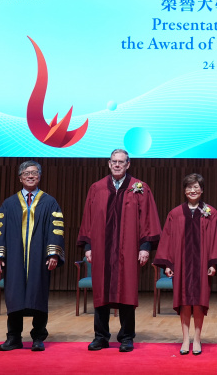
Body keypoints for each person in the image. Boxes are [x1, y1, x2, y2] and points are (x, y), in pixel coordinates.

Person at [77, 149, 161, 352]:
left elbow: (147, 219)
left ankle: (126, 337)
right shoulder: (97, 188)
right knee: (101, 292)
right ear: (108, 163)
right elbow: (88, 218)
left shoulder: (139, 188)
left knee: (126, 290)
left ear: (128, 164)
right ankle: (101, 336)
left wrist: (145, 247)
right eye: (114, 161)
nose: (117, 165)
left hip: (128, 250)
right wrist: (88, 247)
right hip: (101, 250)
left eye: (121, 162)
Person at [0, 160, 64, 352]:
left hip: (40, 258)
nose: (30, 176)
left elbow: (56, 229)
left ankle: (38, 337)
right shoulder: (9, 203)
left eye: (34, 173)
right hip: (14, 258)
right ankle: (13, 337)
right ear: (19, 177)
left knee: (39, 294)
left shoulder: (49, 202)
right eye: (26, 173)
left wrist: (53, 253)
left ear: (39, 176)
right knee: (14, 295)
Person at [153, 173, 217, 356]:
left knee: (199, 303)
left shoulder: (211, 212)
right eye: (189, 187)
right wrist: (168, 264)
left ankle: (197, 339)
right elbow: (168, 240)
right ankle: (186, 339)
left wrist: (213, 263)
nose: (193, 190)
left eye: (196, 187)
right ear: (184, 190)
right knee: (184, 302)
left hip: (202, 266)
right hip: (181, 265)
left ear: (202, 190)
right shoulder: (175, 214)